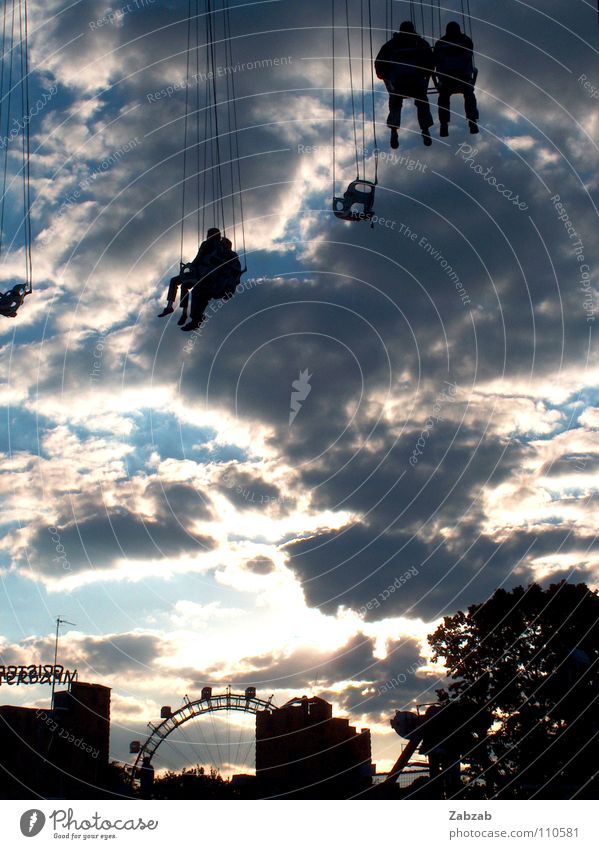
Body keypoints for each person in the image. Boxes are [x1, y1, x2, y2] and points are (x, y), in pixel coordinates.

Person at [375, 20, 434, 148]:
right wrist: (426, 76)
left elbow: (379, 63)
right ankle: (425, 129)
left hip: (398, 83)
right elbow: (431, 62)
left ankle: (394, 130)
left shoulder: (390, 45)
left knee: (395, 102)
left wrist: (386, 78)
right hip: (416, 82)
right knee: (422, 100)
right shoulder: (421, 43)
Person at [157, 227, 222, 325]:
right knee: (184, 286)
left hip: (199, 272)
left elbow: (199, 257)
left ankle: (171, 306)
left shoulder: (207, 244)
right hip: (207, 274)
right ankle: (183, 313)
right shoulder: (221, 247)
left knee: (174, 281)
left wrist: (190, 265)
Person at [181, 237, 242, 331]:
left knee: (198, 292)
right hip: (220, 284)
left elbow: (217, 265)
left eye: (221, 244)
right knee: (201, 295)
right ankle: (196, 319)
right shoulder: (232, 256)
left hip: (220, 283)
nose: (219, 245)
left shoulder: (226, 254)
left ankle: (196, 319)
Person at [433, 21, 479, 136]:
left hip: (447, 80)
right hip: (463, 78)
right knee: (469, 94)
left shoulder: (440, 43)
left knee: (443, 97)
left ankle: (444, 124)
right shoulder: (466, 41)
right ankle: (472, 121)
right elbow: (470, 54)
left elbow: (435, 60)